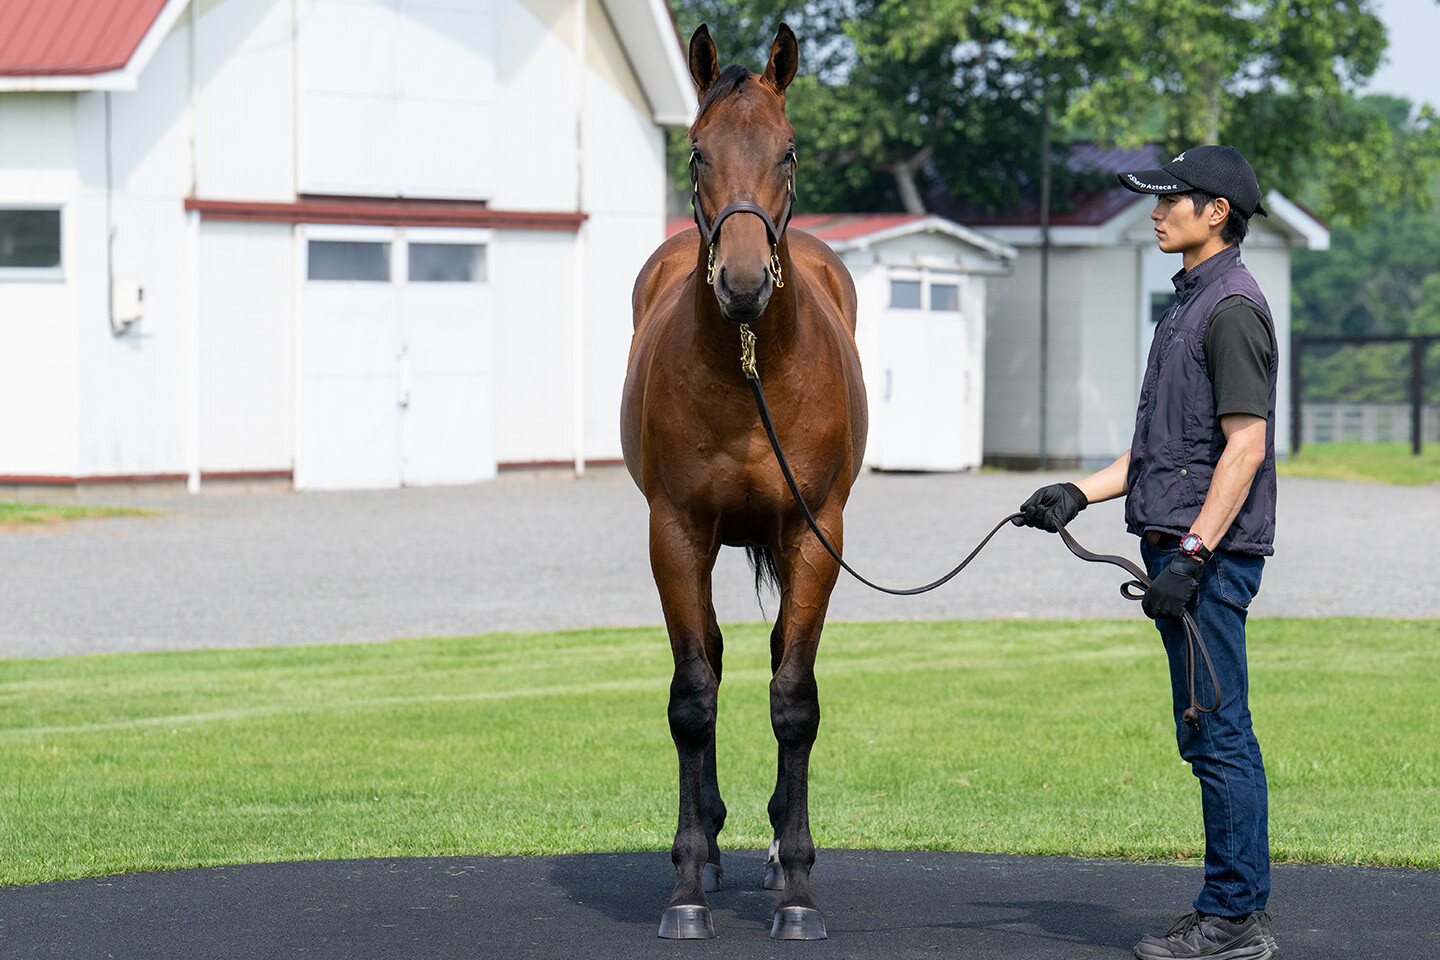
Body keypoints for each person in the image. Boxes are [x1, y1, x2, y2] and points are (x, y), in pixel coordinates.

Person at [1016, 145, 1280, 960]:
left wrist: (1195, 555)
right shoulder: (1188, 305)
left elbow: (1245, 446)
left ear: (1217, 213)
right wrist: (1077, 494)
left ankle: (1233, 919)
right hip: (1181, 553)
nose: (1157, 211)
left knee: (1218, 732)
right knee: (1209, 729)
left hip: (1206, 562)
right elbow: (1162, 448)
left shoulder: (1231, 308)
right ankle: (1237, 912)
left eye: (1173, 200)